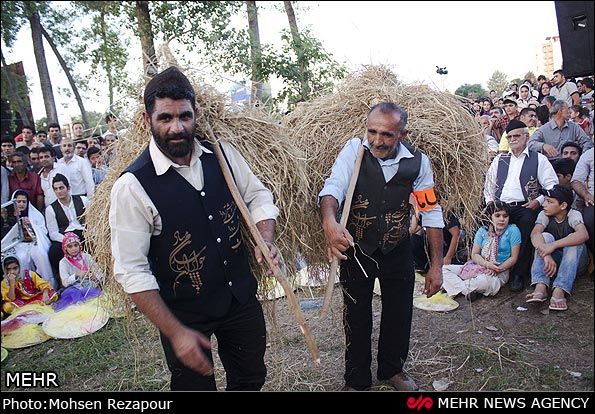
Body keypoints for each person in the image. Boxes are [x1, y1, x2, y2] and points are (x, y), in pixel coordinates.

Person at [109, 66, 281, 391]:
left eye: (184, 117)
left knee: (250, 378)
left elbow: (258, 197)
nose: (177, 128)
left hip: (238, 298)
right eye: (165, 118)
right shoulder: (132, 187)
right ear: (147, 121)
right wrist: (175, 333)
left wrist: (264, 237)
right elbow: (131, 271)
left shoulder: (222, 155)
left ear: (195, 113)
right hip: (184, 313)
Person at [319, 101, 444, 392]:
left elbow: (431, 211)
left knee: (399, 312)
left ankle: (392, 369)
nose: (377, 140)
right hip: (357, 248)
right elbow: (333, 187)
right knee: (356, 314)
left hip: (397, 247)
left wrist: (437, 265)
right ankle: (356, 380)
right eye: (372, 131)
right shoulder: (354, 150)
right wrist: (329, 221)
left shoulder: (418, 161)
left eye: (387, 134)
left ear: (403, 133)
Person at [483, 119, 558, 292]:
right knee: (483, 225)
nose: (512, 139)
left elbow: (552, 186)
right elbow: (489, 184)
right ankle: (487, 267)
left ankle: (518, 274)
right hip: (500, 205)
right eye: (509, 137)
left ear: (526, 136)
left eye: (516, 135)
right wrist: (490, 203)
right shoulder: (500, 159)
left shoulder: (539, 159)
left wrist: (538, 201)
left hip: (526, 206)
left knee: (526, 226)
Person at [526, 185, 589, 311]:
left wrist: (552, 246)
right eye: (545, 200)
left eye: (550, 202)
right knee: (545, 236)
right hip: (552, 262)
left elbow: (583, 234)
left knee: (573, 241)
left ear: (563, 206)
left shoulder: (573, 214)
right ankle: (541, 286)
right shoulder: (544, 215)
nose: (545, 205)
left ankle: (560, 289)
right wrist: (546, 254)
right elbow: (535, 234)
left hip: (575, 263)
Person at [442, 201, 521, 301]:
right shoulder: (483, 231)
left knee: (484, 281)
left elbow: (514, 258)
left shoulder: (513, 231)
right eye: (497, 215)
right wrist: (486, 264)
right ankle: (466, 290)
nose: (502, 219)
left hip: (498, 271)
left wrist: (496, 269)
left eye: (505, 216)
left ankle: (454, 287)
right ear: (490, 217)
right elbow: (474, 254)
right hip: (477, 266)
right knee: (443, 270)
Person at [6, 189, 56, 289]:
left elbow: (43, 231)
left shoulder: (35, 214)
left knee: (40, 255)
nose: (21, 204)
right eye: (18, 201)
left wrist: (32, 225)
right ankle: (25, 289)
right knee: (21, 258)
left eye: (24, 202)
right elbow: (8, 236)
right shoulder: (8, 216)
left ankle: (48, 287)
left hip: (34, 243)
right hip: (18, 246)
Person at [53, 232, 103, 311]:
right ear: (65, 248)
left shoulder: (86, 256)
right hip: (74, 289)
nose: (73, 249)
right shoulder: (64, 262)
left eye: (75, 245)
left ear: (79, 245)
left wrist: (95, 276)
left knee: (98, 302)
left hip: (90, 285)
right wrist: (76, 275)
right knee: (78, 306)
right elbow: (65, 282)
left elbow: (98, 271)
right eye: (70, 246)